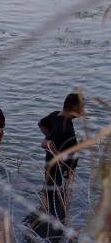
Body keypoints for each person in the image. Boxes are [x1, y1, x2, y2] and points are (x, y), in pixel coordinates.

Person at [38, 92, 84, 223]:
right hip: (58, 172)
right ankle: (50, 228)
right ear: (75, 107)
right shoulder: (63, 127)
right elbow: (45, 143)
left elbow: (41, 124)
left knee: (48, 196)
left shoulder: (55, 115)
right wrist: (58, 156)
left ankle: (44, 220)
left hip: (53, 168)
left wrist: (50, 137)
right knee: (55, 205)